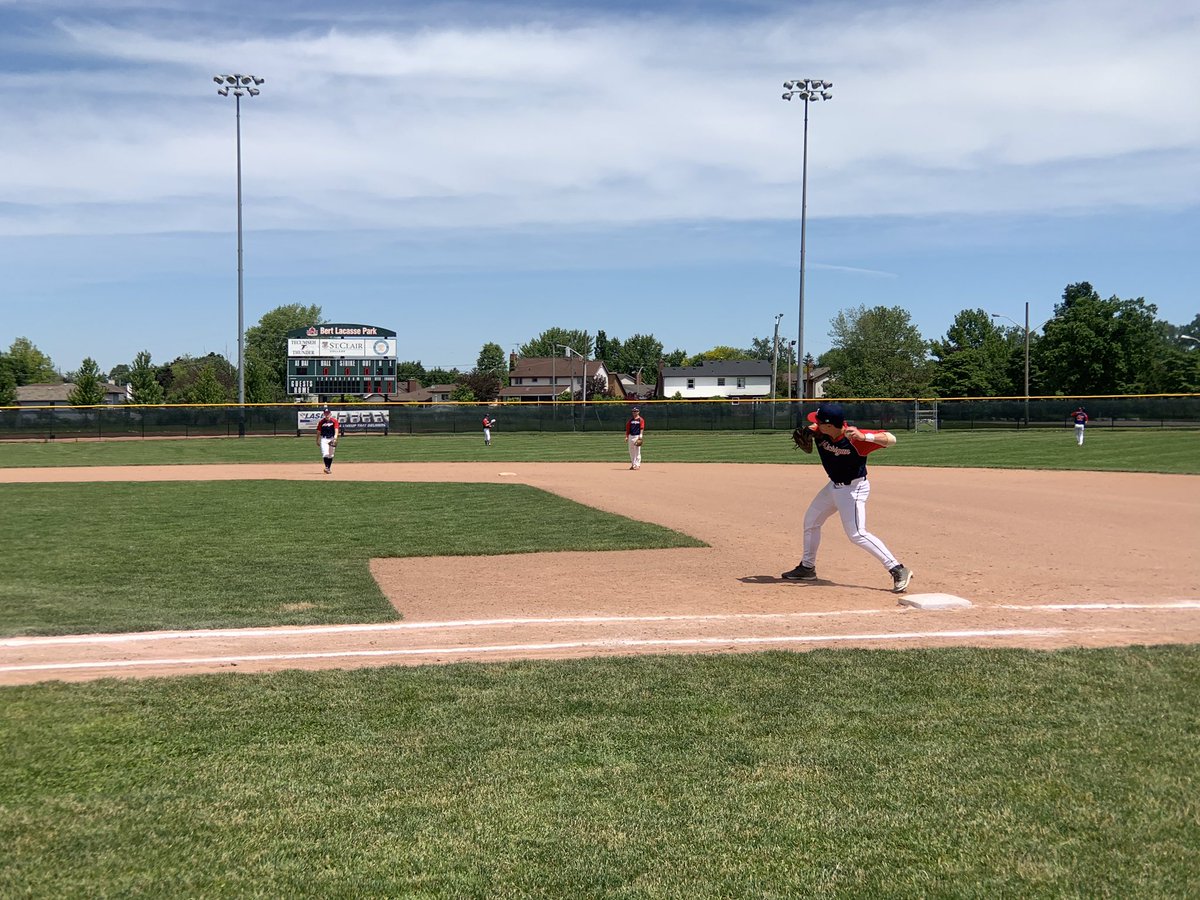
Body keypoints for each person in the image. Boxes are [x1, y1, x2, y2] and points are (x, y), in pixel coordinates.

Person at [783, 402, 913, 593]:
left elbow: (891, 439)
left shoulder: (855, 438)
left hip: (854, 489)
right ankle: (807, 568)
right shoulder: (819, 432)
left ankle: (897, 569)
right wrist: (811, 429)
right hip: (832, 487)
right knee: (811, 521)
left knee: (857, 534)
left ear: (829, 425)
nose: (814, 424)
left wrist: (865, 436)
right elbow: (812, 429)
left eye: (818, 421)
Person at [316, 405, 341, 475]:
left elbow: (336, 430)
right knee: (325, 453)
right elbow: (318, 432)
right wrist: (317, 440)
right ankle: (327, 467)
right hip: (324, 439)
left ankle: (328, 468)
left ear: (330, 413)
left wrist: (335, 438)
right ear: (324, 414)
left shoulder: (334, 421)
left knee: (331, 455)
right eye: (325, 413)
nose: (327, 414)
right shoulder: (321, 422)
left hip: (332, 438)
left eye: (328, 413)